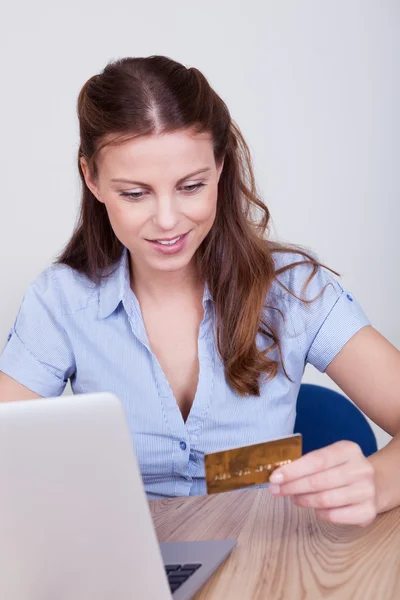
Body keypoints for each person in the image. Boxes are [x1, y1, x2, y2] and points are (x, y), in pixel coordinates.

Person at [1, 56, 399, 527]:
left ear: (220, 167)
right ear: (91, 179)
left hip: (269, 560)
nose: (168, 220)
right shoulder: (60, 302)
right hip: (128, 571)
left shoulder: (294, 290)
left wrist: (377, 482)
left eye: (191, 186)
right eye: (135, 193)